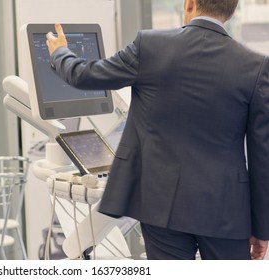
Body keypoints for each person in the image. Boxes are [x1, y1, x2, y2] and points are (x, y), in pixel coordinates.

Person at [46, 0, 269, 260]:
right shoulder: (254, 66)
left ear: (190, 4)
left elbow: (85, 75)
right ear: (231, 12)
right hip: (226, 212)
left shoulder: (150, 46)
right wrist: (261, 228)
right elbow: (262, 157)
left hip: (162, 206)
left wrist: (59, 52)